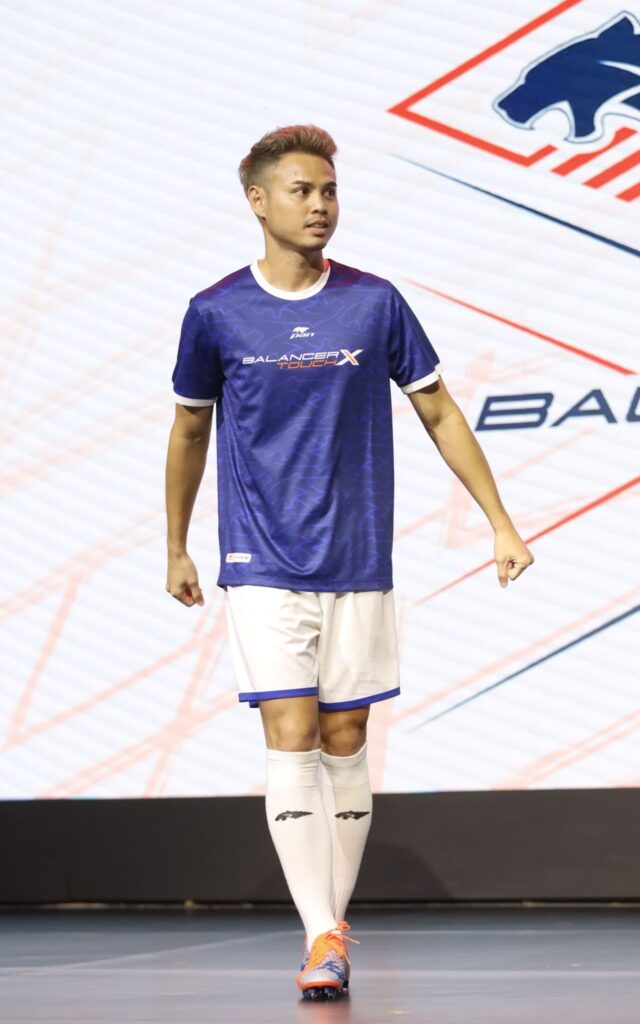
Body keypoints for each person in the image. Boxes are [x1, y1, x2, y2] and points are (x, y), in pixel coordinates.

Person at [164, 123, 534, 1000]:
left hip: (359, 557)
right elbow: (189, 428)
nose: (320, 205)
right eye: (302, 190)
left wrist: (501, 522)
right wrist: (175, 544)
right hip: (260, 560)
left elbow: (439, 411)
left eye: (329, 190)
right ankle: (321, 932)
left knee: (346, 738)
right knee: (290, 733)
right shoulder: (215, 311)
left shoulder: (375, 303)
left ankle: (331, 919)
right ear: (258, 201)